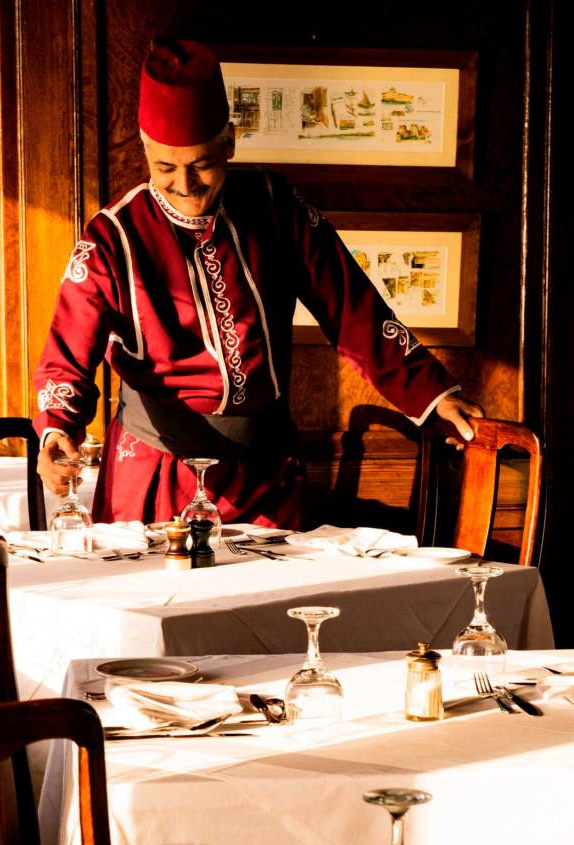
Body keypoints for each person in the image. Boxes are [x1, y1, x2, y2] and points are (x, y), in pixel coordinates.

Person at [34, 37, 481, 529]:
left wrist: (432, 393)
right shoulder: (111, 238)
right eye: (165, 167)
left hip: (266, 474)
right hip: (155, 474)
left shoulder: (276, 207)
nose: (186, 185)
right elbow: (66, 354)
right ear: (145, 149)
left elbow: (353, 308)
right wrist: (57, 429)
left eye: (202, 163)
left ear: (229, 141)